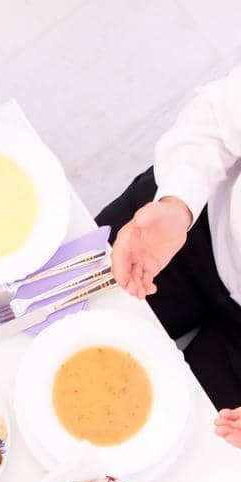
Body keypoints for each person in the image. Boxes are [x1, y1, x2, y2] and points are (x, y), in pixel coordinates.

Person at [99, 64, 241, 440]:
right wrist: (178, 202)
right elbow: (219, 117)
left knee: (167, 446)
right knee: (58, 314)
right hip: (191, 227)